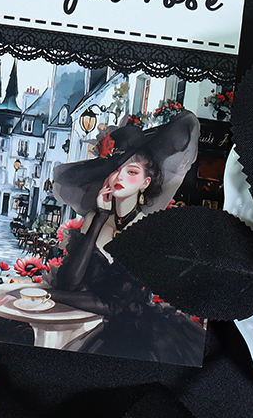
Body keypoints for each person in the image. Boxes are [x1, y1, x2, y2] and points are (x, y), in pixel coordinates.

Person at [50, 112, 205, 364]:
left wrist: (51, 297)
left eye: (131, 171)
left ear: (145, 182)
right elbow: (69, 283)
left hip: (148, 338)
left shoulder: (150, 229)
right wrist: (99, 218)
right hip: (102, 330)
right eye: (115, 170)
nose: (119, 177)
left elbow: (121, 304)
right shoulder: (94, 219)